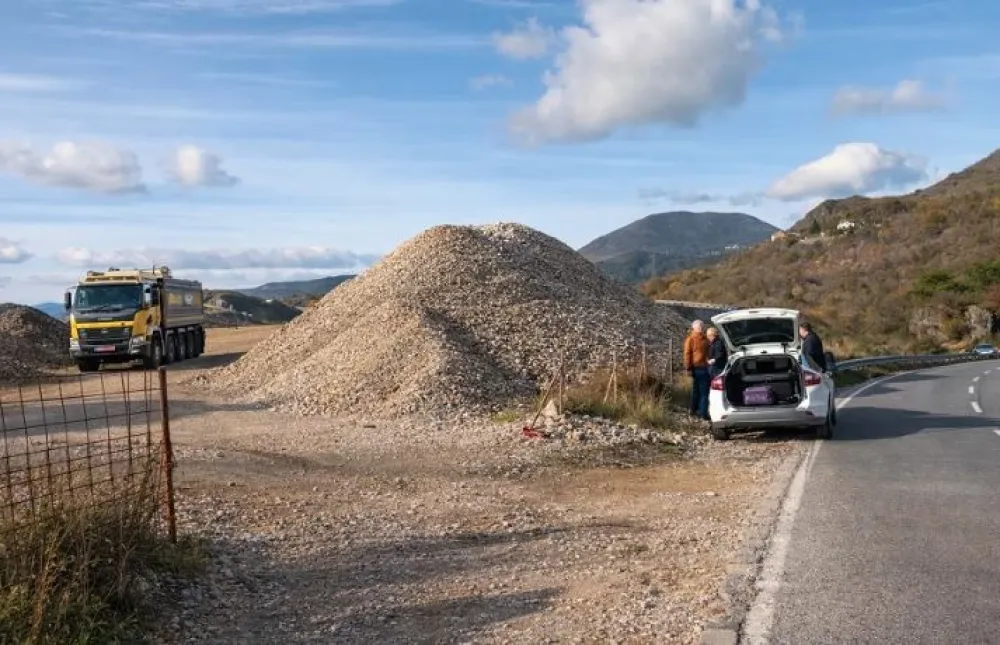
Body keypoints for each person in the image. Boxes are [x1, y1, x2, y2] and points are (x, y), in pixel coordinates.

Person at [683, 319, 711, 420]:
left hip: (703, 366)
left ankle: (693, 410)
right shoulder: (690, 339)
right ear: (696, 328)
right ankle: (703, 413)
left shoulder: (704, 339)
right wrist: (688, 368)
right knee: (704, 391)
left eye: (702, 326)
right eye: (701, 327)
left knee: (697, 390)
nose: (702, 328)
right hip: (698, 367)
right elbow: (687, 354)